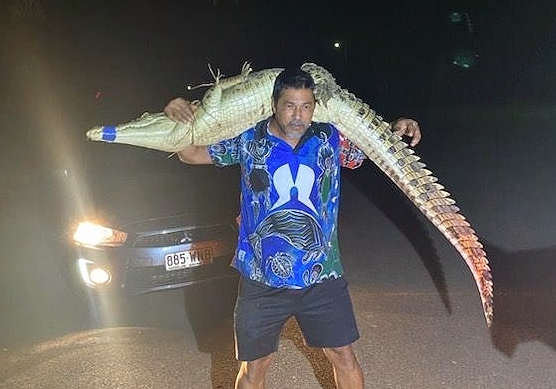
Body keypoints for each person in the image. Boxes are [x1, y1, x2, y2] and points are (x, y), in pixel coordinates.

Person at [164, 68, 421, 389]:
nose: (298, 115)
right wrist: (178, 117)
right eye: (289, 106)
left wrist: (396, 129)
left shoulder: (328, 138)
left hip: (321, 275)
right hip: (261, 277)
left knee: (344, 357)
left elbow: (373, 149)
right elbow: (190, 153)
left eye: (306, 106)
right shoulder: (249, 138)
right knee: (253, 369)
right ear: (274, 103)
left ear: (315, 106)